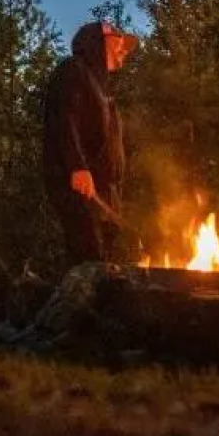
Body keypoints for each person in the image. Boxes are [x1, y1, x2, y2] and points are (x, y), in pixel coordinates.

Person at [43, 20, 138, 265]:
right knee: (89, 258)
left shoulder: (103, 91)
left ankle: (98, 301)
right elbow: (65, 119)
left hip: (105, 192)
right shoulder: (74, 70)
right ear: (97, 41)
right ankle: (78, 302)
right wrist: (77, 166)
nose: (124, 50)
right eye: (119, 42)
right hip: (82, 187)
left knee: (107, 263)